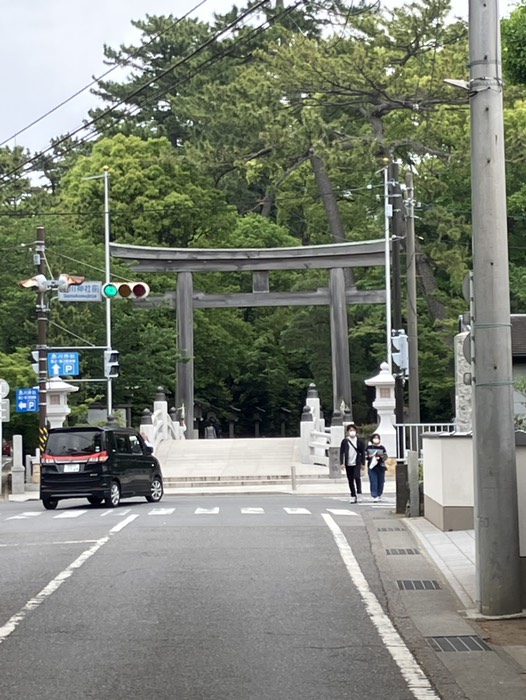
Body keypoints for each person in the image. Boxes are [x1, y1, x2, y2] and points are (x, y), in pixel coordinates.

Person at [340, 423, 366, 504]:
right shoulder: (345, 441)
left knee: (357, 477)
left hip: (357, 462)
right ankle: (353, 495)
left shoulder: (359, 441)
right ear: (348, 432)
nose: (352, 432)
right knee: (350, 480)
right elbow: (342, 452)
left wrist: (363, 463)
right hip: (348, 463)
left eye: (353, 430)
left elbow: (362, 452)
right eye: (350, 430)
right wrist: (342, 463)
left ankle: (359, 493)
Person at [366, 432, 388, 502]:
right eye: (375, 438)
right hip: (372, 467)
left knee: (381, 481)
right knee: (373, 481)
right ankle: (374, 495)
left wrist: (380, 457)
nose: (376, 439)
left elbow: (385, 456)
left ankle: (379, 494)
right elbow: (365, 456)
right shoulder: (369, 448)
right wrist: (370, 456)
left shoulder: (382, 448)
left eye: (377, 438)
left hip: (380, 466)